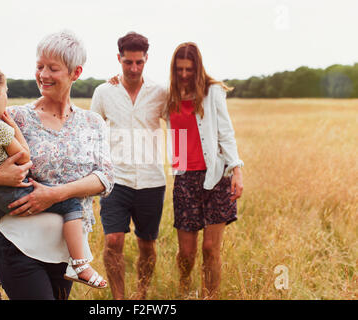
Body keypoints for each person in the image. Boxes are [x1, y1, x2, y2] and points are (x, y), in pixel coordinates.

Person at [0, 30, 113, 299]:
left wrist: (54, 195)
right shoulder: (13, 117)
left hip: (64, 253)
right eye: (39, 66)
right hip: (18, 245)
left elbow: (105, 179)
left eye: (53, 68)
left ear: (76, 72)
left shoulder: (92, 123)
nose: (43, 75)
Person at [90, 32, 167, 300]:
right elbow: (93, 134)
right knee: (113, 242)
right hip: (115, 180)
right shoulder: (103, 92)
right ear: (118, 59)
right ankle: (119, 300)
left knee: (147, 245)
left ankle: (142, 296)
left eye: (139, 62)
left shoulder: (160, 92)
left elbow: (182, 120)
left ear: (146, 59)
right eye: (128, 62)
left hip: (152, 181)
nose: (133, 69)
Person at [164, 42, 244, 299]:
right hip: (185, 178)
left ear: (198, 68)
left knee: (211, 248)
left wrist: (237, 170)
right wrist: (116, 82)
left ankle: (210, 296)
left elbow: (226, 133)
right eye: (179, 69)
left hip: (216, 177)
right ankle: (185, 289)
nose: (184, 74)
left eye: (189, 69)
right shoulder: (168, 95)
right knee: (187, 252)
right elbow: (137, 92)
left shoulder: (213, 92)